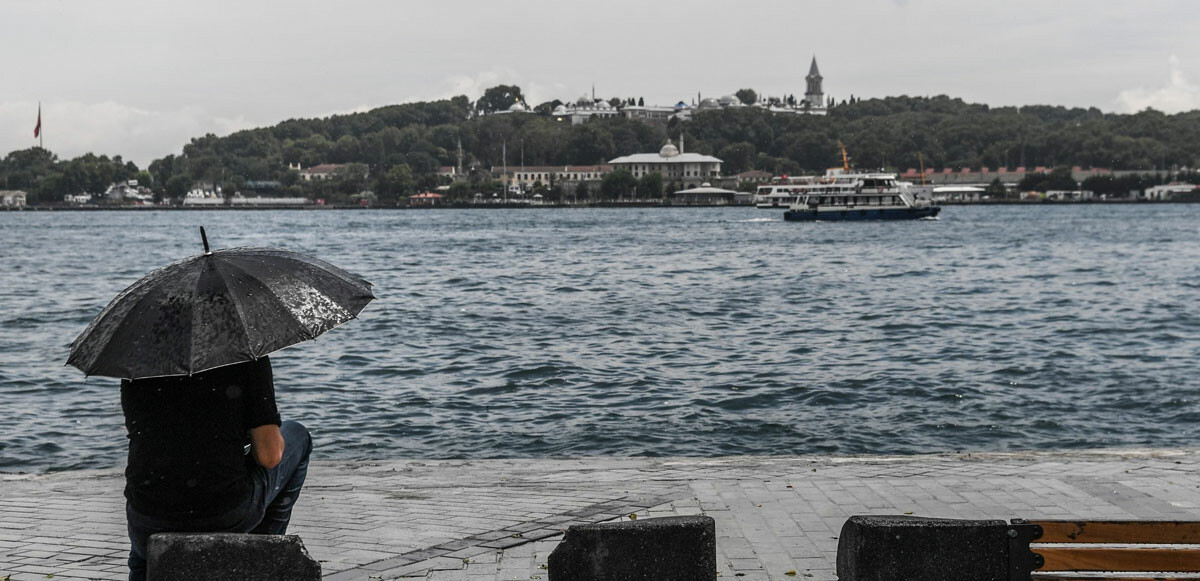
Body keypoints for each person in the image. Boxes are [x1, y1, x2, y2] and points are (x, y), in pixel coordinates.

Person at [120, 356, 311, 581]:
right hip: (224, 512)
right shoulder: (244, 357)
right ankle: (262, 555)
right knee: (298, 436)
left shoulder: (137, 360)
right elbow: (269, 457)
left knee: (152, 495)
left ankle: (144, 570)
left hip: (147, 520)